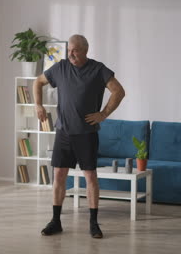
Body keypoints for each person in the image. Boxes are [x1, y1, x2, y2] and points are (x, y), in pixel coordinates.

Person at [33, 34, 125, 238]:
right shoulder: (61, 67)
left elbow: (118, 91)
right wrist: (38, 105)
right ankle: (56, 221)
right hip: (64, 132)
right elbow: (38, 82)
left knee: (90, 177)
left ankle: (93, 223)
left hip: (87, 134)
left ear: (85, 50)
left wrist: (104, 114)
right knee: (58, 175)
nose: (71, 54)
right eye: (69, 50)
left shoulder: (98, 69)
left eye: (75, 50)